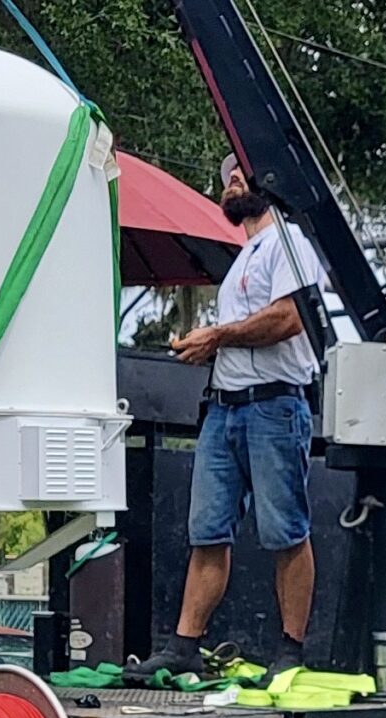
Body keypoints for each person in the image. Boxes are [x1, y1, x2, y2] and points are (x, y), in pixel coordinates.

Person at [128, 153, 325, 678]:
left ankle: (290, 651)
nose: (231, 180)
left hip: (274, 404)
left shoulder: (289, 242)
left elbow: (289, 318)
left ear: (268, 182)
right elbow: (251, 328)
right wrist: (210, 345)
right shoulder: (245, 256)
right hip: (225, 406)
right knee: (207, 530)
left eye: (240, 172)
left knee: (286, 531)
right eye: (226, 177)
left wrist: (216, 336)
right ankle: (184, 644)